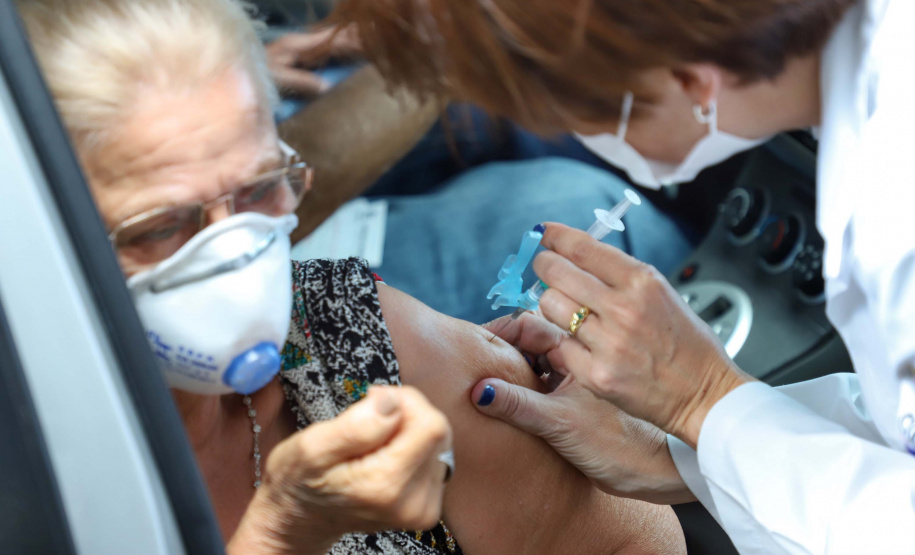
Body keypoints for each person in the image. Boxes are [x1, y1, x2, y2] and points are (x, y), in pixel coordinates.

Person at [17, 0, 686, 553]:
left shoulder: (348, 337)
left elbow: (633, 543)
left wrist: (691, 443)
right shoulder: (34, 483)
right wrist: (283, 535)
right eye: (161, 227)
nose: (234, 262)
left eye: (259, 191)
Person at [332, 0, 915, 552]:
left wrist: (704, 402)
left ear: (690, 80)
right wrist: (687, 453)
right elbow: (898, 428)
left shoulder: (894, 215)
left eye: (579, 114)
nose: (581, 136)